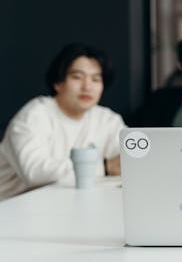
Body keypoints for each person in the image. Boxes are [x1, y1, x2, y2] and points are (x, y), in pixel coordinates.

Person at [0, 44, 125, 201]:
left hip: (67, 205)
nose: (87, 86)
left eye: (96, 79)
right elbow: (36, 173)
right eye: (77, 77)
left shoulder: (107, 120)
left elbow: (128, 158)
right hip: (11, 209)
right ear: (58, 83)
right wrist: (105, 167)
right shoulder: (34, 115)